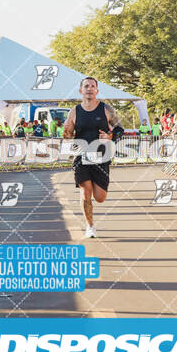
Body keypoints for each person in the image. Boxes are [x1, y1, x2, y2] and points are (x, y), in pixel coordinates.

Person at [63, 76, 123, 239]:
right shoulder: (74, 111)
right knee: (85, 192)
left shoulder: (106, 109)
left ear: (96, 90)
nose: (89, 88)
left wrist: (110, 136)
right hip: (81, 156)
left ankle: (91, 221)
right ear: (80, 91)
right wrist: (67, 132)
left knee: (100, 197)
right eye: (86, 86)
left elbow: (119, 129)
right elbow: (67, 136)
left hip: (101, 156)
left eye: (92, 86)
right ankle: (90, 226)